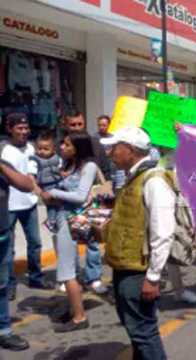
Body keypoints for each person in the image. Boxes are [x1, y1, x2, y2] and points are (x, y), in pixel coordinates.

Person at [100, 127, 171, 359]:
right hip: (125, 268)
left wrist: (153, 278)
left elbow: (163, 232)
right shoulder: (135, 177)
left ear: (129, 150)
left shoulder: (153, 180)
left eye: (115, 147)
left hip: (138, 272)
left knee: (143, 332)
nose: (110, 153)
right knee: (136, 330)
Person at [38, 132, 97, 332]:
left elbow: (81, 196)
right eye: (63, 143)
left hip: (72, 222)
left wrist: (54, 192)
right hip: (60, 218)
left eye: (67, 144)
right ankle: (73, 309)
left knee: (66, 271)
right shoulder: (68, 165)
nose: (62, 146)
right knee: (67, 267)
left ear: (78, 148)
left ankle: (79, 317)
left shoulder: (88, 166)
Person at [0, 113, 50, 302]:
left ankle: (36, 278)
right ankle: (10, 285)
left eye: (26, 128)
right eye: (19, 128)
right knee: (9, 248)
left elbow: (34, 173)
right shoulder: (4, 150)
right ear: (10, 129)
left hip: (29, 203)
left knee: (35, 242)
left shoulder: (30, 148)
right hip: (9, 206)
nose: (23, 132)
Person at [60, 110, 108, 294]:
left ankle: (93, 277)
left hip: (90, 204)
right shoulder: (61, 147)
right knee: (68, 243)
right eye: (73, 125)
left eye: (80, 124)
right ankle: (70, 277)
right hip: (66, 206)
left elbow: (105, 168)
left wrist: (104, 192)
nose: (77, 128)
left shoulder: (94, 144)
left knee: (92, 242)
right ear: (66, 125)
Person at [0, 157, 36, 351]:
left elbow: (27, 185)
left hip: (2, 236)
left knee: (2, 285)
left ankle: (4, 330)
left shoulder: (4, 164)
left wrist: (2, 167)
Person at [30, 131, 63, 233]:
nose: (42, 151)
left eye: (46, 149)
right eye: (39, 148)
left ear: (53, 149)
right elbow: (31, 174)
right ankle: (51, 221)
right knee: (51, 205)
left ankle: (59, 220)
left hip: (59, 183)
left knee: (61, 204)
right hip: (46, 186)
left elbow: (62, 168)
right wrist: (39, 191)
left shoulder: (57, 158)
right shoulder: (34, 160)